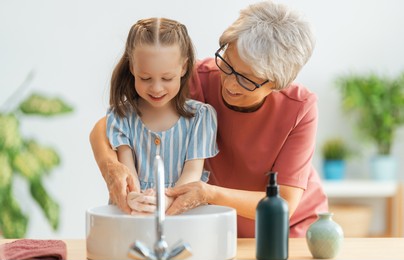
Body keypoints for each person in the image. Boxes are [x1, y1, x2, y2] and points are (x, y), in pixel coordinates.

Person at [90, 1, 328, 237]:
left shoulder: (300, 107)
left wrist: (208, 193)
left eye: (247, 79)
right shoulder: (195, 78)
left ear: (277, 83)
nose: (230, 83)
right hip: (221, 226)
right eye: (229, 65)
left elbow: (283, 204)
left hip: (286, 230)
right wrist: (111, 166)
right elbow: (111, 123)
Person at [103, 17, 218, 214]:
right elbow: (128, 171)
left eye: (167, 78)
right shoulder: (121, 116)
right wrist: (135, 198)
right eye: (145, 78)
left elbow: (192, 172)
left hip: (184, 214)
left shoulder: (200, 117)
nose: (156, 88)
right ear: (132, 68)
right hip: (134, 215)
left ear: (183, 68)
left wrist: (167, 199)